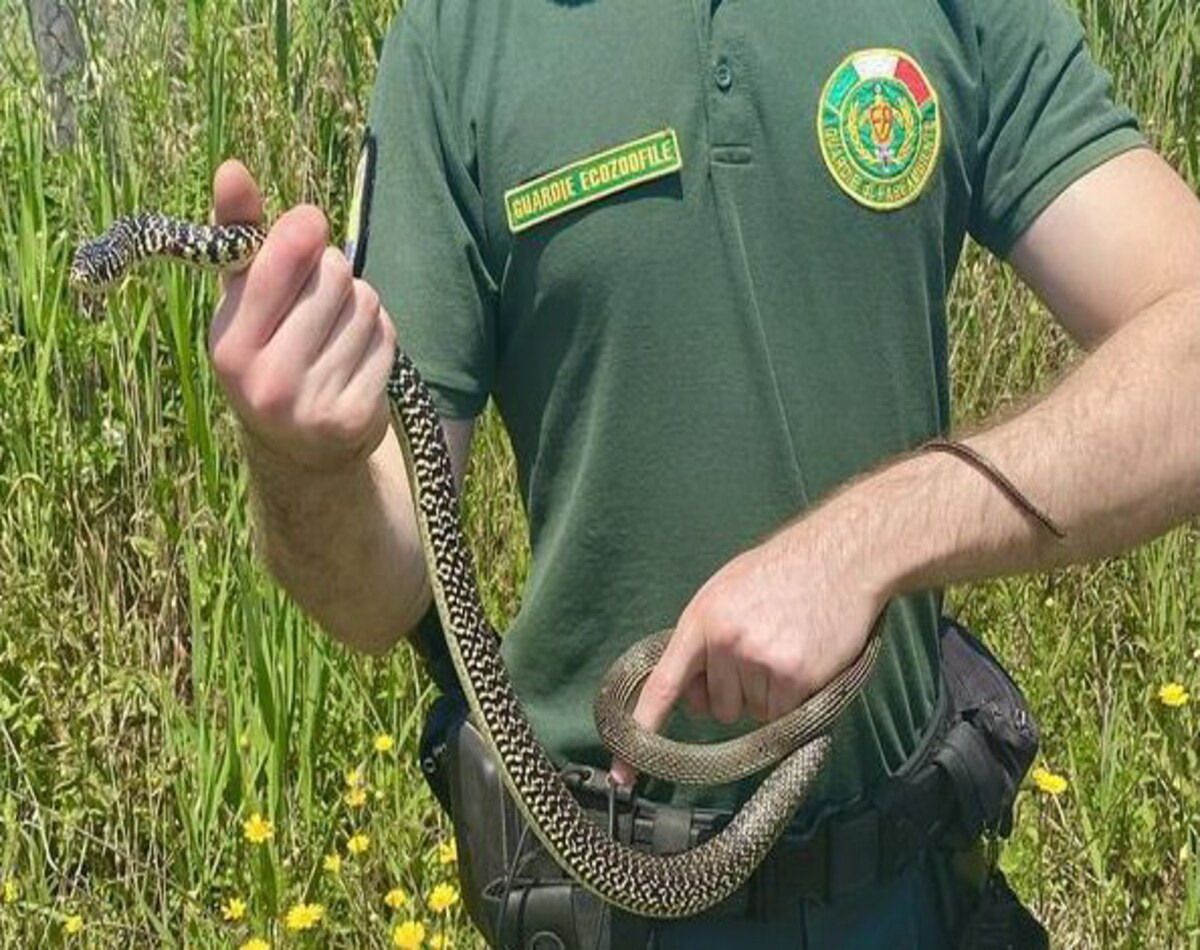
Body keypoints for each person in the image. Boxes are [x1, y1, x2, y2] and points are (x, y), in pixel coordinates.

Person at [205, 0, 1200, 945]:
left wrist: (866, 543)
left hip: (908, 886)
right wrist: (303, 457)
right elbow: (377, 593)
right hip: (600, 890)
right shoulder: (458, 37)